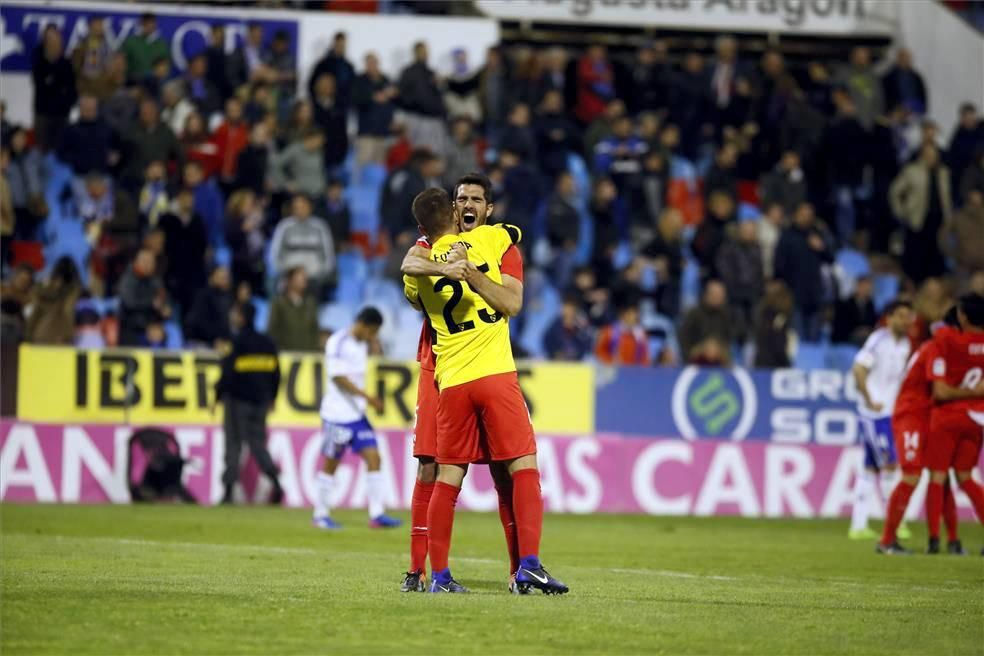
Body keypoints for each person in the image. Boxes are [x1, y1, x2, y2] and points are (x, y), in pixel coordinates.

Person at [403, 187, 568, 595]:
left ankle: (438, 576)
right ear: (455, 211)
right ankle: (528, 565)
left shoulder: (418, 268)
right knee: (523, 466)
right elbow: (513, 234)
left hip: (453, 380)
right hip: (494, 374)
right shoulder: (489, 239)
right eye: (462, 202)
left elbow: (411, 280)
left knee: (447, 477)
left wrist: (437, 263)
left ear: (423, 226)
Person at [877, 309, 964, 555]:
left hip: (930, 417)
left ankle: (949, 540)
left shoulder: (941, 348)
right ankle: (886, 541)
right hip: (911, 415)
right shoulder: (935, 348)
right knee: (912, 475)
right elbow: (940, 391)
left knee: (940, 474)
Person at [312, 306, 401, 529]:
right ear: (361, 324)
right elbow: (338, 377)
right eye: (371, 332)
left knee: (374, 457)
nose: (372, 337)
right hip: (337, 415)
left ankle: (377, 514)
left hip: (356, 414)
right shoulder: (338, 341)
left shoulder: (362, 345)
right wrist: (369, 398)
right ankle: (320, 515)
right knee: (332, 463)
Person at [848, 300, 914, 541]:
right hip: (874, 415)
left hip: (889, 413)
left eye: (908, 316)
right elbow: (858, 369)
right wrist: (869, 399)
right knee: (890, 466)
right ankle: (895, 524)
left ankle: (858, 525)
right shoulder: (878, 340)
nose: (905, 321)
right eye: (900, 316)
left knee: (869, 468)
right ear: (889, 318)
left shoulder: (906, 345)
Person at [924, 294, 984, 554]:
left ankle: (935, 540)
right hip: (976, 419)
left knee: (937, 477)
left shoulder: (947, 340)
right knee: (966, 478)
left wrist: (959, 393)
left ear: (963, 316)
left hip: (947, 417)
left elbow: (941, 392)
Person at [214, 302, 284, 505]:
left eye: (236, 314)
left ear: (242, 317)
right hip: (261, 402)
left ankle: (228, 492)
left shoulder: (236, 342)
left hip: (238, 402)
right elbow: (277, 373)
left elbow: (227, 374)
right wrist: (272, 397)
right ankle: (277, 484)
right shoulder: (267, 343)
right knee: (258, 445)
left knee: (233, 445)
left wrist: (217, 396)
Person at [269, 194, 336, 297]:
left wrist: (319, 274)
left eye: (303, 207)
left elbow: (329, 256)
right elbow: (274, 254)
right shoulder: (284, 227)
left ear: (310, 207)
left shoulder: (321, 227)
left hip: (314, 278)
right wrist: (287, 274)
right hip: (289, 277)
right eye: (296, 208)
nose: (299, 210)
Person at [31, 25, 77, 152]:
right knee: (42, 150)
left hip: (62, 114)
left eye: (57, 42)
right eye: (51, 42)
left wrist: (67, 102)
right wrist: (58, 88)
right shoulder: (39, 62)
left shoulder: (66, 64)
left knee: (60, 150)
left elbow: (71, 89)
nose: (54, 45)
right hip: (43, 114)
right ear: (45, 43)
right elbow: (42, 87)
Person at [267, 266, 320, 353]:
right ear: (289, 280)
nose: (304, 280)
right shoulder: (279, 304)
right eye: (300, 277)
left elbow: (315, 330)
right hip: (285, 356)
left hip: (308, 356)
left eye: (305, 277)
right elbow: (272, 331)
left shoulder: (311, 303)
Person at [184, 266, 234, 349]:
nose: (226, 281)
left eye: (227, 278)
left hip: (220, 342)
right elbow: (199, 322)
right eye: (222, 278)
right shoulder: (203, 296)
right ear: (212, 278)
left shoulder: (228, 298)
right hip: (200, 342)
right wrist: (214, 339)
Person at [594, 297, 650, 366]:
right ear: (622, 314)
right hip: (613, 370)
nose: (633, 317)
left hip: (634, 372)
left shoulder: (641, 334)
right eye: (629, 314)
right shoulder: (608, 331)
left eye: (635, 314)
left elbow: (645, 357)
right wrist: (611, 361)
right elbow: (599, 352)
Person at [544, 296, 593, 361]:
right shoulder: (555, 324)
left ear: (575, 309)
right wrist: (555, 353)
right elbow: (547, 341)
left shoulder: (581, 325)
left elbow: (587, 344)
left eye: (570, 308)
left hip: (577, 361)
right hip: (558, 360)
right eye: (565, 307)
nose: (567, 311)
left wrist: (577, 355)